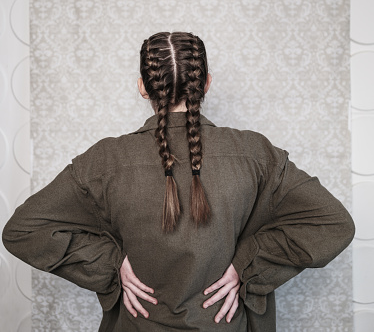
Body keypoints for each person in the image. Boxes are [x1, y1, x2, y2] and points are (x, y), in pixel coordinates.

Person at [3, 31, 355, 332]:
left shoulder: (104, 161)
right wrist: (248, 266)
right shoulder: (255, 153)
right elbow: (334, 224)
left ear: (143, 87)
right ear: (206, 83)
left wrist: (110, 264)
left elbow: (22, 231)